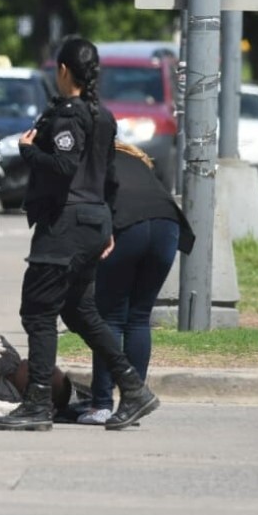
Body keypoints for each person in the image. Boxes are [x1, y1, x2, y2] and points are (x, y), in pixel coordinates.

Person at [0, 36, 159, 432]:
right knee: (79, 312)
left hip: (65, 226)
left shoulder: (68, 116)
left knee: (38, 311)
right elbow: (111, 178)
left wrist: (27, 150)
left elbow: (63, 166)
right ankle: (133, 387)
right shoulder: (102, 116)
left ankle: (37, 404)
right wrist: (109, 227)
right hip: (93, 222)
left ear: (64, 70)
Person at [77, 141, 194, 424]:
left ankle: (102, 404)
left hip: (128, 225)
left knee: (110, 318)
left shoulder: (88, 159)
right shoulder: (136, 160)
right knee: (140, 317)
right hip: (168, 225)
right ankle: (134, 400)